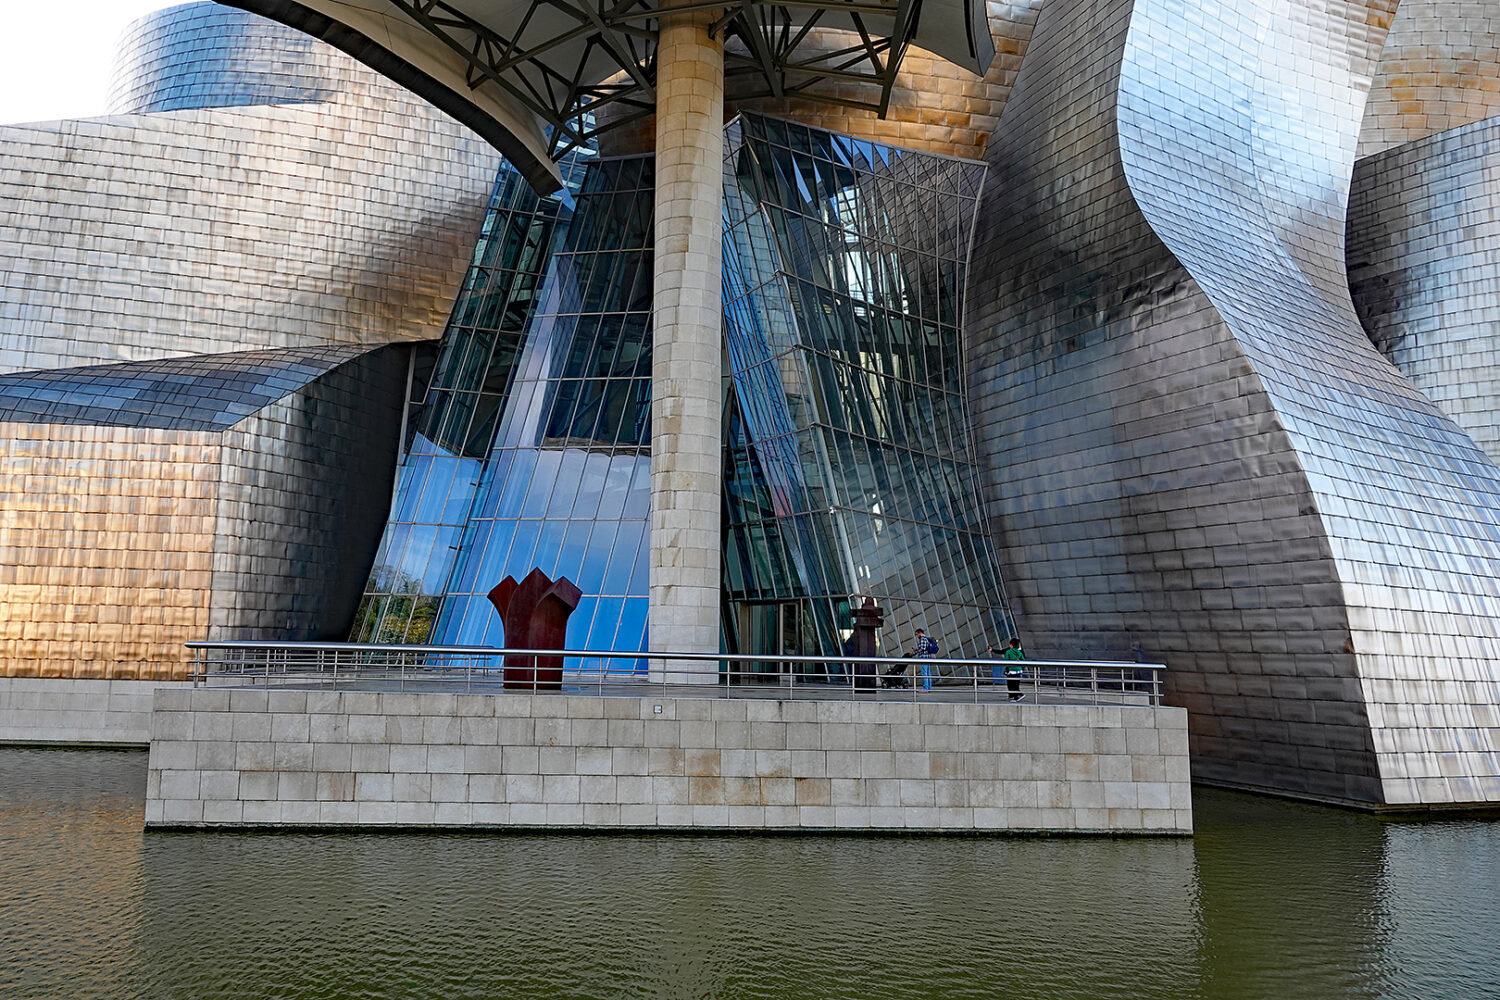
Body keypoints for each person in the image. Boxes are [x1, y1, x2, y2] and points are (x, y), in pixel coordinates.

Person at [999, 637, 1025, 701]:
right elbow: (1023, 660)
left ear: (1011, 645)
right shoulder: (1019, 652)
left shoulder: (1008, 652)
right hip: (1018, 670)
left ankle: (1018, 695)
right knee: (1016, 684)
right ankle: (1014, 697)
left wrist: (1006, 669)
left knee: (1010, 684)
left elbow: (1007, 661)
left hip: (1012, 670)